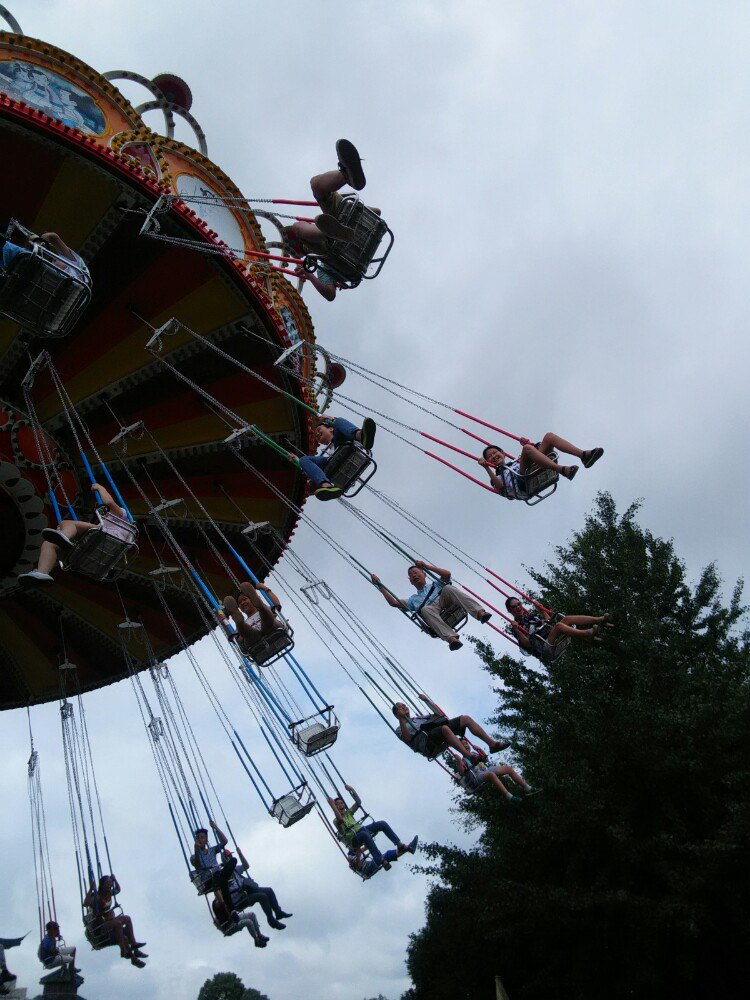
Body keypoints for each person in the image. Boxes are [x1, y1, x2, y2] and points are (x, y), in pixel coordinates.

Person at [284, 138, 372, 301]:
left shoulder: (323, 264)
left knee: (316, 186)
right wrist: (309, 273)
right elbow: (330, 294)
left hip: (342, 225)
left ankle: (347, 175)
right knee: (313, 192)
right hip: (343, 234)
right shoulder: (323, 263)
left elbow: (330, 294)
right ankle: (344, 177)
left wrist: (309, 274)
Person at [18, 482, 127, 585]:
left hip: (108, 537)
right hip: (95, 549)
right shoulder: (105, 521)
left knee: (67, 523)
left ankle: (64, 535)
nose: (97, 507)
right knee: (49, 543)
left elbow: (108, 502)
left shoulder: (122, 516)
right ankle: (42, 572)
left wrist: (99, 487)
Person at [371, 560, 491, 651]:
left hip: (446, 603)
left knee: (448, 588)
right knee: (424, 610)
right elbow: (394, 602)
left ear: (424, 574)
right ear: (411, 581)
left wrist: (426, 566)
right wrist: (380, 586)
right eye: (411, 575)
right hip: (433, 612)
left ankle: (479, 613)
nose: (414, 575)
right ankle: (451, 638)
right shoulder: (413, 599)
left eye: (416, 572)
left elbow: (447, 574)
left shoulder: (435, 583)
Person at [478, 435, 604, 500]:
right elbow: (500, 487)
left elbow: (532, 452)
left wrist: (530, 444)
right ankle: (562, 470)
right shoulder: (498, 475)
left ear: (503, 453)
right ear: (490, 462)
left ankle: (583, 455)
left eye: (495, 452)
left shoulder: (514, 462)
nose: (494, 456)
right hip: (522, 482)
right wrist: (487, 468)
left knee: (548, 437)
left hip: (533, 468)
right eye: (490, 456)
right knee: (527, 450)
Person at [328, 784, 418, 872]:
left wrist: (351, 789)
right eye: (337, 805)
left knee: (382, 824)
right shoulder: (336, 821)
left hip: (362, 831)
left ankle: (400, 845)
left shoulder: (349, 813)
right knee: (364, 835)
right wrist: (332, 805)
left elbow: (358, 802)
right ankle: (381, 860)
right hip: (354, 839)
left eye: (341, 803)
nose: (340, 805)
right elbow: (340, 819)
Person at [393, 694, 510, 759]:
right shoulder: (400, 728)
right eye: (400, 707)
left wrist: (427, 701)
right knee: (444, 729)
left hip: (437, 732)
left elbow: (439, 714)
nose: (403, 707)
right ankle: (469, 756)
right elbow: (407, 739)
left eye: (404, 705)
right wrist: (402, 719)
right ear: (396, 713)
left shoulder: (420, 718)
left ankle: (492, 744)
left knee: (465, 719)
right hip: (427, 743)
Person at [291, 415, 376, 501]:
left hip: (345, 446)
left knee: (339, 421)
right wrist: (299, 462)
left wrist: (328, 418)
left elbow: (336, 423)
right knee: (304, 459)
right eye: (316, 436)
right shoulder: (329, 452)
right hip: (333, 459)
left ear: (330, 429)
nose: (317, 434)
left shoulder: (340, 435)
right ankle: (326, 486)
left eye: (318, 430)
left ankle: (360, 435)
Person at [505, 596, 612, 657]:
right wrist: (516, 629)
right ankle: (586, 634)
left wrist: (541, 610)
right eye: (514, 607)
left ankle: (600, 619)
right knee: (559, 625)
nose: (518, 607)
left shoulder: (531, 615)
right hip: (544, 646)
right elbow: (527, 644)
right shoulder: (516, 627)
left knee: (567, 618)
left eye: (519, 604)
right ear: (510, 611)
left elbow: (548, 621)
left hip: (550, 635)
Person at [222, 847, 293, 931]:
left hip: (245, 891)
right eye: (229, 857)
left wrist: (240, 854)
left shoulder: (235, 869)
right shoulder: (224, 874)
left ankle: (278, 912)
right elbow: (226, 892)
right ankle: (271, 921)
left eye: (231, 856)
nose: (230, 858)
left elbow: (246, 866)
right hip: (239, 899)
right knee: (262, 896)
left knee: (269, 891)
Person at [83, 875, 147, 968]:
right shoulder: (98, 896)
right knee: (118, 925)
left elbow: (118, 889)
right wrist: (91, 890)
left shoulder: (109, 893)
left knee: (127, 919)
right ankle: (123, 951)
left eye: (110, 882)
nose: (110, 884)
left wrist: (115, 879)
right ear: (103, 885)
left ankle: (134, 947)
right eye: (108, 882)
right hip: (99, 926)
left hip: (108, 922)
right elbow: (86, 903)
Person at [0, 227, 87, 281]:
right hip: (26, 283)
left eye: (54, 260)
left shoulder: (79, 270)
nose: (53, 260)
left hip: (31, 275)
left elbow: (52, 237)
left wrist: (39, 240)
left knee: (26, 256)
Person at [222, 580, 284, 646]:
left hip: (272, 629)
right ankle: (238, 620)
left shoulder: (267, 609)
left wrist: (265, 588)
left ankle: (261, 606)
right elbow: (237, 639)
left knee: (268, 619)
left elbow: (276, 605)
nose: (242, 603)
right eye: (239, 603)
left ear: (252, 599)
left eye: (244, 599)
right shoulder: (245, 622)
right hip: (255, 641)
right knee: (247, 633)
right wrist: (223, 623)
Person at [456, 755, 541, 803]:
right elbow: (462, 772)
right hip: (476, 775)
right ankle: (509, 796)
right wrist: (459, 760)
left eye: (466, 743)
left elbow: (485, 758)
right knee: (491, 774)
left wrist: (480, 752)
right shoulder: (463, 760)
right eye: (463, 744)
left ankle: (528, 788)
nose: (466, 745)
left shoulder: (472, 753)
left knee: (508, 768)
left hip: (485, 769)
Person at [191, 821, 237, 905]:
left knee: (233, 860)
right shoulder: (194, 856)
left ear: (206, 840)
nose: (200, 840)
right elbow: (197, 864)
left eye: (202, 838)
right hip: (209, 880)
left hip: (218, 875)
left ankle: (229, 906)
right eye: (198, 838)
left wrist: (215, 828)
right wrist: (196, 849)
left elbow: (224, 841)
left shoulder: (212, 850)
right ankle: (227, 905)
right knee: (221, 880)